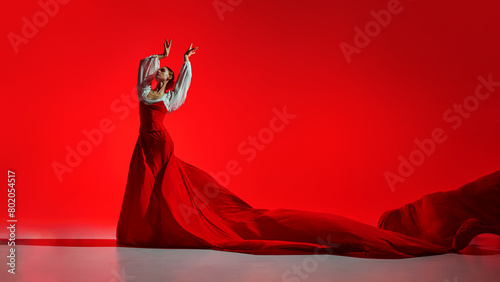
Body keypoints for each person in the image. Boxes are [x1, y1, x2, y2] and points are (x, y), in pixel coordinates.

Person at [116, 39, 500, 258]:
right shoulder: (144, 90)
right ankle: (146, 229)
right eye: (161, 73)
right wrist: (160, 55)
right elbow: (140, 68)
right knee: (145, 185)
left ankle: (159, 229)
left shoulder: (168, 98)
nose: (162, 76)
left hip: (161, 142)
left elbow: (182, 89)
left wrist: (183, 63)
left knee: (164, 185)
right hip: (145, 142)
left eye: (165, 75)